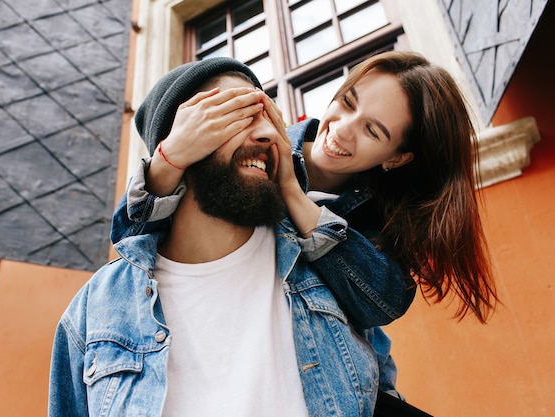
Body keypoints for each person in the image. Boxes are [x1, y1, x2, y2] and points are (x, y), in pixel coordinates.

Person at [48, 58, 382, 417]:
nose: (271, 133)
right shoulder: (95, 309)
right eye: (237, 114)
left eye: (267, 115)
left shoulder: (327, 272)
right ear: (180, 140)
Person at [120, 51, 498, 327]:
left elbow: (383, 304)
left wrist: (292, 192)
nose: (343, 128)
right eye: (347, 103)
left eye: (372, 130)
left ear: (396, 159)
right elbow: (128, 241)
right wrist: (168, 159)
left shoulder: (377, 219)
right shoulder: (253, 146)